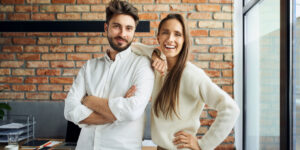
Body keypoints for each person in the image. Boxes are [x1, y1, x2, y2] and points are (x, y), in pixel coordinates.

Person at [130, 14, 240, 150]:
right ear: (158, 37)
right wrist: (154, 54)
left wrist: (203, 145)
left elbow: (230, 108)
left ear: (184, 40)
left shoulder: (191, 74)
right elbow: (131, 47)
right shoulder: (159, 67)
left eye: (177, 34)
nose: (170, 39)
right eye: (165, 33)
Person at [63, 0, 154, 149]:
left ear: (134, 31)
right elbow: (70, 110)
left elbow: (132, 111)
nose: (122, 34)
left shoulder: (142, 65)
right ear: (106, 27)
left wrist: (90, 101)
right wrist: (117, 111)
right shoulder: (89, 67)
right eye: (117, 26)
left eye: (129, 28)